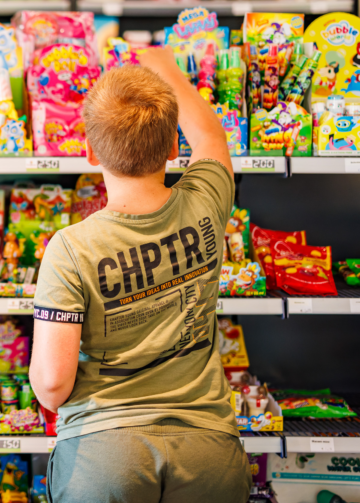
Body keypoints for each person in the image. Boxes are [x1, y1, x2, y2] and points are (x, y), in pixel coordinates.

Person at [29, 47, 251, 502]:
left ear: (89, 151)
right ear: (173, 146)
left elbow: (52, 385)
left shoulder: (71, 250)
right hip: (209, 448)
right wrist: (165, 68)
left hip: (104, 455)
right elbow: (210, 135)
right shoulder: (205, 202)